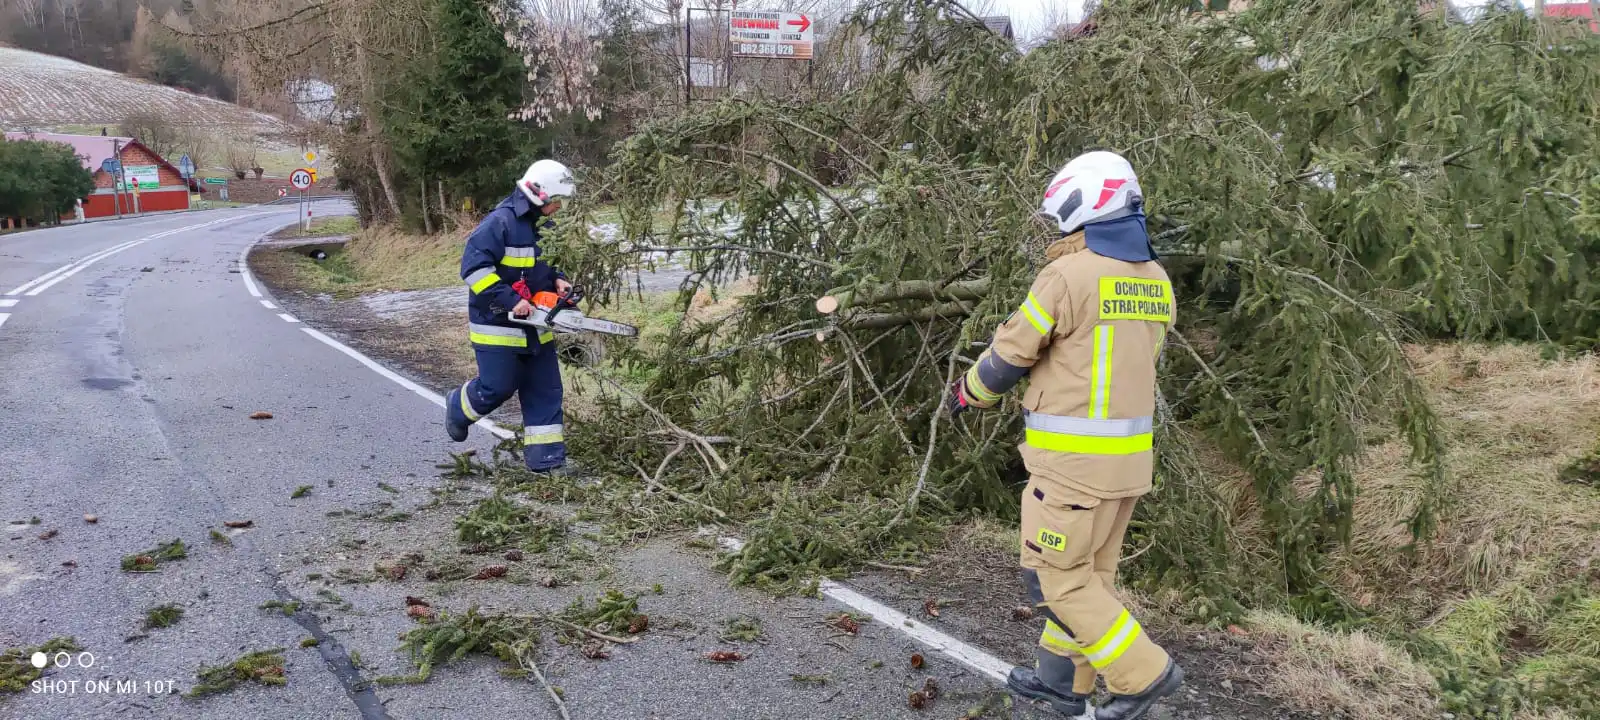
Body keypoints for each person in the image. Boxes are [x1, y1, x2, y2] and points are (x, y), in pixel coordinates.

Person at [948, 151, 1182, 720]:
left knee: (1055, 580)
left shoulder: (1067, 276)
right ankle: (1060, 683)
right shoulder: (1155, 280)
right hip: (1127, 465)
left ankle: (1144, 675)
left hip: (1071, 467)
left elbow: (1009, 355)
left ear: (1085, 206)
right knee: (1090, 577)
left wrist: (966, 394)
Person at [445, 159, 576, 473]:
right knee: (498, 386)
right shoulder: (499, 223)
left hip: (537, 326)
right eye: (557, 201)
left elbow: (548, 262)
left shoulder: (546, 225)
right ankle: (458, 408)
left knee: (545, 390)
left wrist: (559, 278)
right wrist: (510, 300)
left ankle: (547, 461)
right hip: (497, 325)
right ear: (539, 195)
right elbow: (473, 270)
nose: (560, 207)